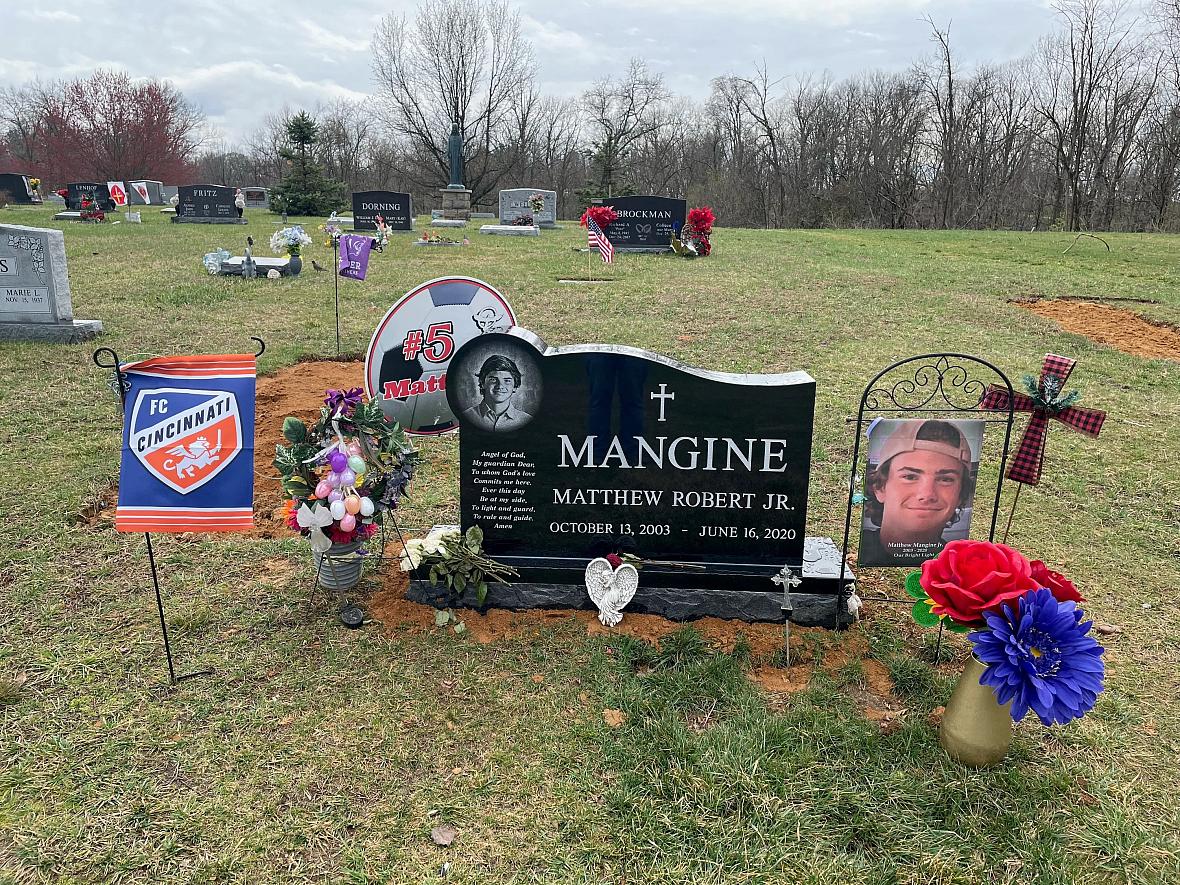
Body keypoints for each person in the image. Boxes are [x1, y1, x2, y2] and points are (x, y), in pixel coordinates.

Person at [860, 420, 975, 566]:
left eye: (946, 479)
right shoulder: (847, 554)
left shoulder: (959, 566)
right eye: (910, 477)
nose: (926, 495)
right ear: (880, 487)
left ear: (961, 494)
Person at [461, 355, 533, 432]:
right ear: (482, 383)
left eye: (507, 380)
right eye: (493, 379)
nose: (500, 386)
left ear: (515, 386)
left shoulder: (527, 419)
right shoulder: (466, 416)